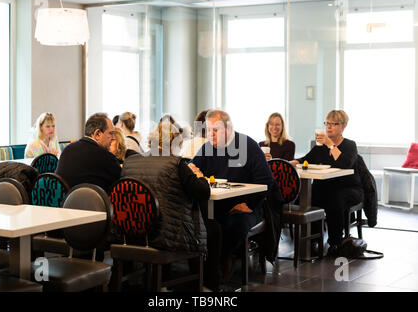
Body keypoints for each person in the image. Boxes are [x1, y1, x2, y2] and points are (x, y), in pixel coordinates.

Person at [188, 109, 274, 287]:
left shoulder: (247, 145)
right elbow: (190, 167)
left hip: (245, 205)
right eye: (208, 129)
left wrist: (250, 203)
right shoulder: (208, 147)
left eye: (215, 130)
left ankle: (222, 262)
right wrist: (192, 171)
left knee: (233, 224)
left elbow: (266, 180)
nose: (210, 134)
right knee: (198, 222)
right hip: (216, 204)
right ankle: (204, 270)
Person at [118, 119, 210, 255]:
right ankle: (202, 275)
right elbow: (202, 193)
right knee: (213, 228)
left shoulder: (130, 162)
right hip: (167, 235)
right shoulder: (176, 164)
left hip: (132, 233)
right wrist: (198, 176)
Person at [290, 110, 363, 256]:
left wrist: (330, 145)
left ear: (343, 127)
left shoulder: (350, 145)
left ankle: (335, 242)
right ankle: (314, 238)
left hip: (349, 188)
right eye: (327, 123)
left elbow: (345, 164)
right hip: (327, 187)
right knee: (308, 197)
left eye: (333, 124)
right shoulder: (321, 146)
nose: (328, 127)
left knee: (335, 199)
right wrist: (291, 162)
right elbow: (307, 158)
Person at [55, 112, 121, 193]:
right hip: (92, 204)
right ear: (97, 134)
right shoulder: (105, 157)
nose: (113, 137)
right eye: (111, 133)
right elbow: (120, 184)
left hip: (62, 204)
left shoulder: (67, 150)